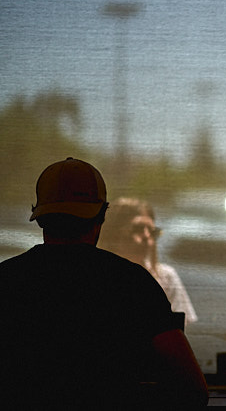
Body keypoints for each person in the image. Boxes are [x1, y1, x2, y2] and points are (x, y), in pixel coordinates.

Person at [0, 157, 208, 409]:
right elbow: (192, 390)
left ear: (40, 215)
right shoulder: (133, 284)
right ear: (100, 216)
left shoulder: (8, 279)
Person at [99, 197, 198, 326]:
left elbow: (177, 330)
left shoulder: (165, 277)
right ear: (114, 233)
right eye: (138, 229)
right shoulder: (95, 275)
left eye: (152, 231)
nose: (147, 237)